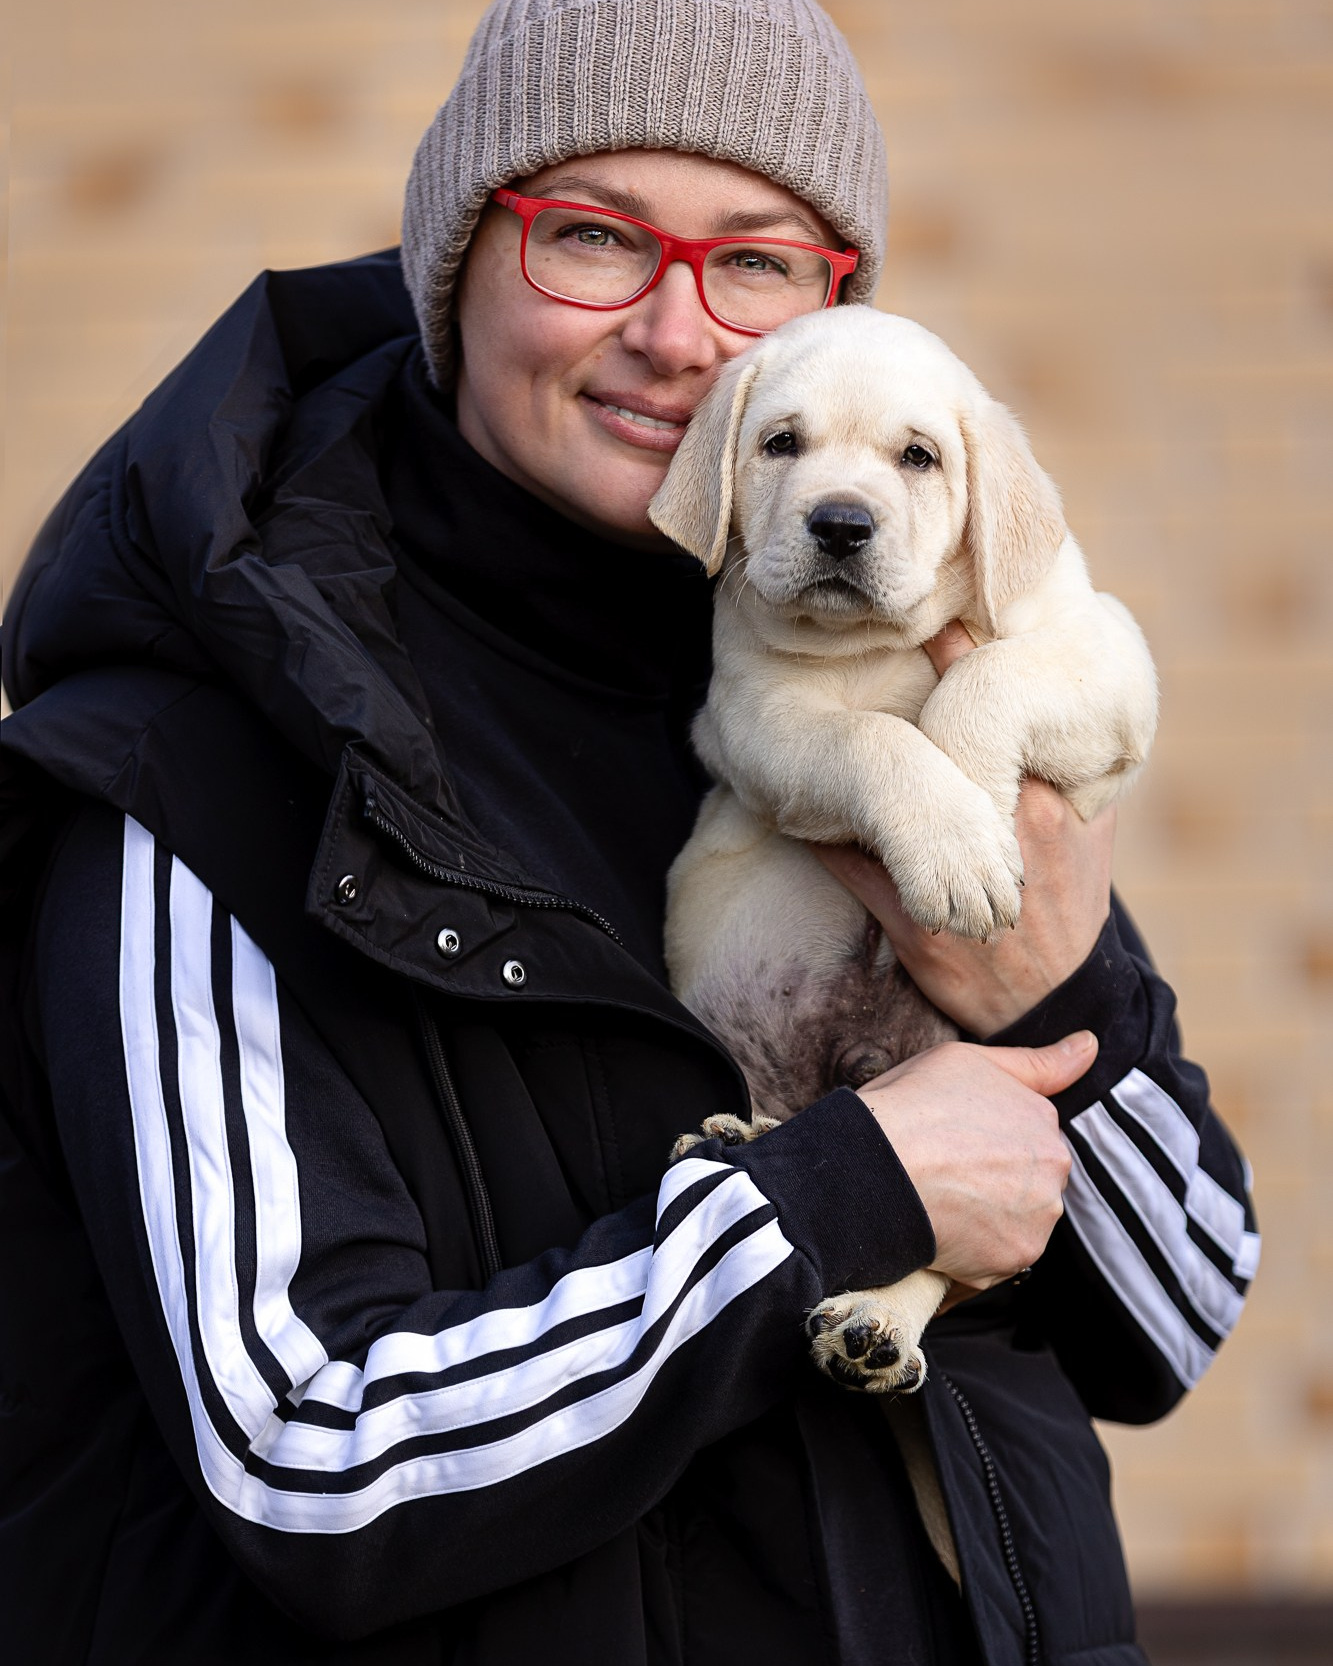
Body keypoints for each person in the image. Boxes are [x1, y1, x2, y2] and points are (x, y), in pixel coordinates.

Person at [0, 1, 1258, 1661]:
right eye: (590, 235)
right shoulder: (195, 764)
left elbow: (1172, 1316)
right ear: (457, 262)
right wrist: (826, 1206)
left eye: (756, 261)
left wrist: (1053, 985)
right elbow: (307, 1462)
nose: (676, 332)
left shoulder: (902, 690)